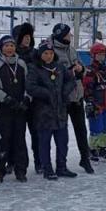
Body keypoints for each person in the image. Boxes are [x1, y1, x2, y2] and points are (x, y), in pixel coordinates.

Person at [26, 40, 76, 180]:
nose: (49, 56)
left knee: (62, 141)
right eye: (46, 53)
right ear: (40, 54)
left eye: (51, 53)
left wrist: (64, 92)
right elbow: (30, 86)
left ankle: (62, 167)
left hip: (60, 111)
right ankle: (47, 168)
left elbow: (70, 81)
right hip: (43, 112)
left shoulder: (59, 67)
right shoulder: (34, 68)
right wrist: (46, 93)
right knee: (44, 142)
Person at [50, 23, 95, 174]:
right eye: (68, 34)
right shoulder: (51, 51)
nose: (70, 36)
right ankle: (61, 164)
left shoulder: (71, 49)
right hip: (62, 98)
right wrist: (70, 71)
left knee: (81, 129)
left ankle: (85, 158)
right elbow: (52, 74)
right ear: (61, 35)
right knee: (62, 133)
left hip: (77, 96)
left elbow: (82, 68)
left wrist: (81, 69)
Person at [0, 35, 30, 183]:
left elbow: (27, 83)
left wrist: (26, 98)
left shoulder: (22, 64)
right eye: (6, 46)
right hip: (4, 108)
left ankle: (21, 169)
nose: (9, 48)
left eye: (12, 45)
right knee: (3, 139)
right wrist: (6, 98)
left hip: (20, 108)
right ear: (1, 48)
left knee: (20, 139)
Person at [13, 22, 41, 173]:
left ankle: (39, 161)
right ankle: (16, 163)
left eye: (29, 37)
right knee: (18, 133)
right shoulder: (12, 54)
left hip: (34, 100)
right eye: (24, 37)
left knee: (36, 132)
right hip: (17, 99)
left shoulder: (36, 54)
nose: (27, 39)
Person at [83, 42, 106, 160]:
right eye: (99, 54)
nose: (101, 57)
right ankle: (92, 148)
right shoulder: (90, 70)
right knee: (96, 127)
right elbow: (87, 88)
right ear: (93, 55)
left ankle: (102, 147)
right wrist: (90, 101)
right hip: (96, 104)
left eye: (103, 54)